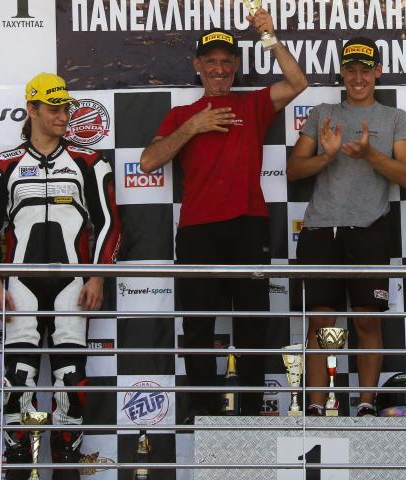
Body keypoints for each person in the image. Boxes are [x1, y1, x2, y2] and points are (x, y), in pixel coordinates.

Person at [138, 10, 307, 418]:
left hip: (249, 225)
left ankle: (250, 415)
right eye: (211, 61)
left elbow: (298, 83)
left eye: (226, 61)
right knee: (197, 326)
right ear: (197, 65)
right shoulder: (182, 115)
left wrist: (269, 36)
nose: (219, 69)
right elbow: (148, 161)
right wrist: (193, 126)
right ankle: (204, 415)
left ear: (236, 65)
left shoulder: (252, 103)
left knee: (252, 324)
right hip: (198, 229)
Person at [0, 73, 122, 480]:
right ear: (32, 110)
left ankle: (67, 469)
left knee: (70, 379)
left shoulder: (91, 162)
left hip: (73, 284)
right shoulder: (1, 165)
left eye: (66, 108)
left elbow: (109, 223)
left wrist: (97, 277)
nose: (63, 116)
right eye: (54, 108)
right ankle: (19, 469)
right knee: (18, 379)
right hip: (19, 285)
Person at [287, 37, 406, 417]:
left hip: (369, 228)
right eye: (350, 70)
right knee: (320, 322)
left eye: (365, 70)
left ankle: (365, 405)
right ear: (341, 73)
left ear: (378, 72)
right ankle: (316, 407)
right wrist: (326, 156)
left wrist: (370, 153)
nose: (358, 78)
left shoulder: (395, 117)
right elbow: (294, 170)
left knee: (367, 319)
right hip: (321, 229)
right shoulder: (323, 113)